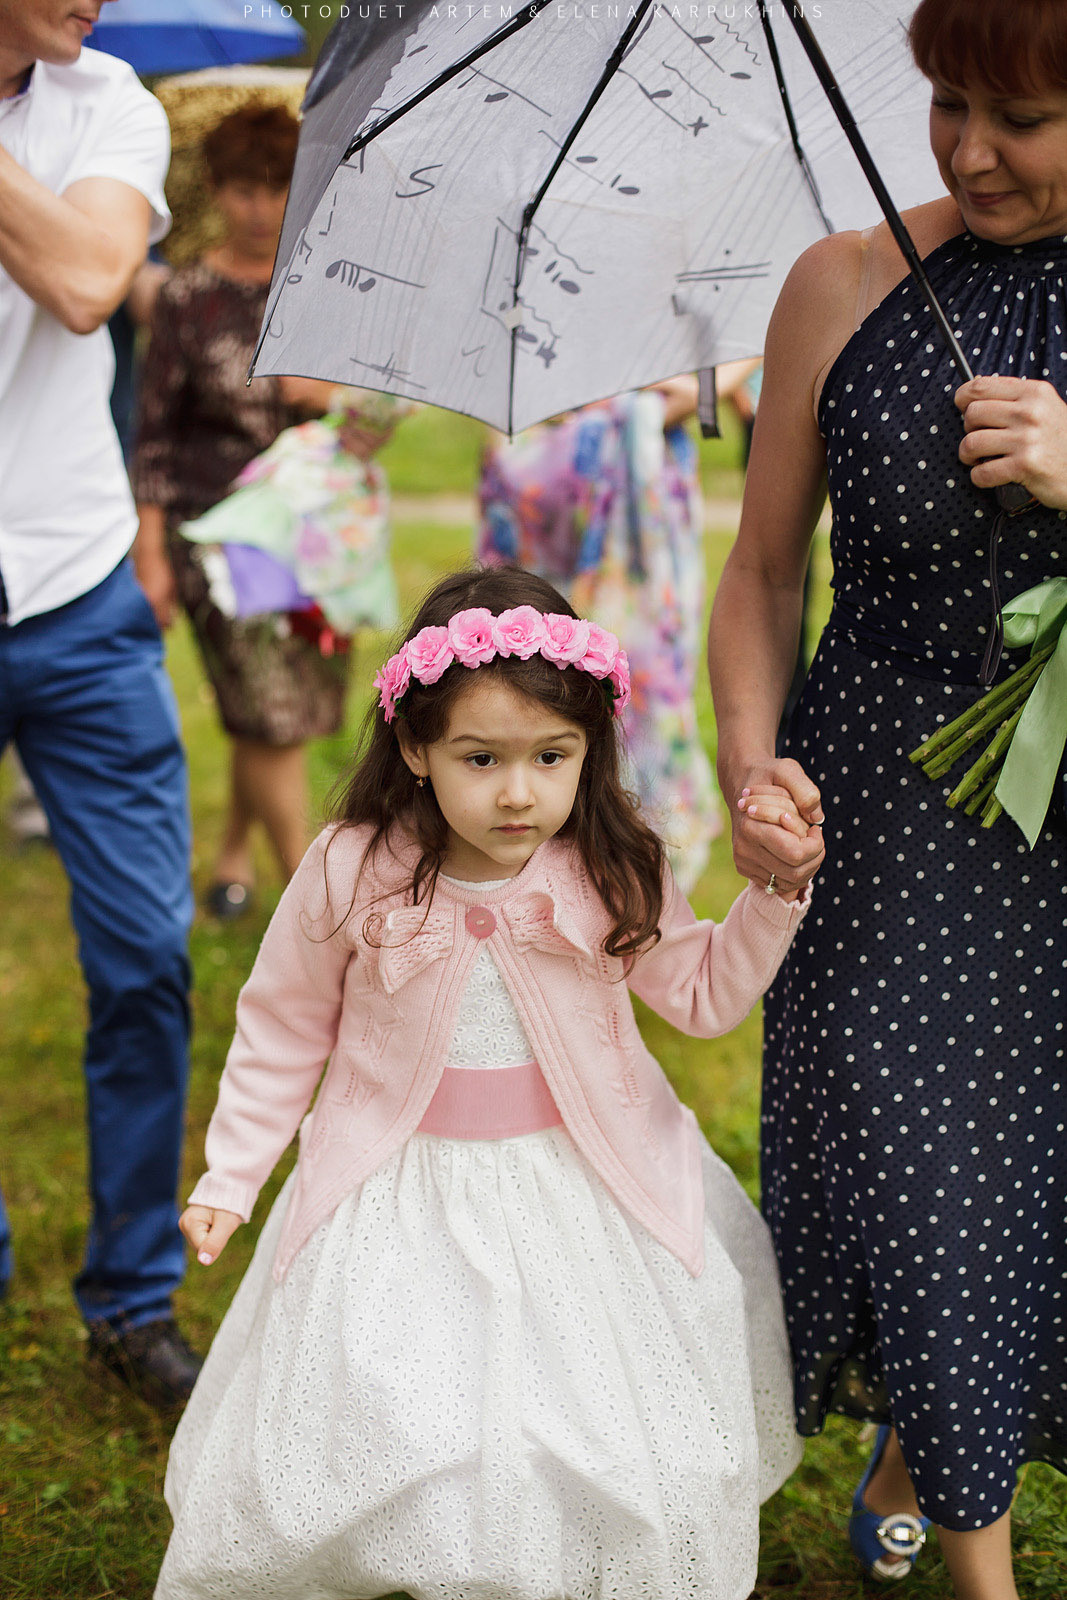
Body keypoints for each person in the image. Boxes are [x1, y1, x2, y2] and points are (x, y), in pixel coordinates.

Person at [154, 565, 810, 1600]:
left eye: (551, 756)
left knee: (581, 1409)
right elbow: (282, 1027)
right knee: (414, 1407)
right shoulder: (349, 867)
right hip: (400, 1187)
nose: (518, 790)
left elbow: (697, 994)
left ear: (588, 747)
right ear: (414, 748)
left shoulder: (608, 862)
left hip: (578, 1186)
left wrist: (773, 892)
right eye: (481, 757)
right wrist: (231, 1177)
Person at [707, 1, 1066, 1595]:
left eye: (1021, 121)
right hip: (881, 801)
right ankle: (982, 1576)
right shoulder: (841, 283)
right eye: (944, 106)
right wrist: (743, 763)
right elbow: (760, 571)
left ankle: (925, 1445)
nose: (970, 152)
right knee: (916, 1159)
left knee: (1021, 1167)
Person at [0, 0, 200, 1402]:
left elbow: (84, 280)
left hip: (77, 596)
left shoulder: (115, 102)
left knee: (144, 957)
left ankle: (134, 1295)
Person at [133, 104, 379, 919]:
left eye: (276, 187)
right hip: (221, 539)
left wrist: (335, 393)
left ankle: (233, 855)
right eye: (242, 188)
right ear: (217, 191)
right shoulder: (185, 297)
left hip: (316, 538)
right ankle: (314, 907)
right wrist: (152, 553)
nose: (259, 206)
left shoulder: (326, 290)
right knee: (270, 717)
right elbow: (153, 434)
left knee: (281, 716)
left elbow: (375, 429)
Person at [478, 377, 720, 894]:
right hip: (542, 460)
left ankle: (625, 847)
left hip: (622, 473)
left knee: (630, 683)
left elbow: (717, 367)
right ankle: (556, 839)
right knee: (532, 665)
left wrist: (683, 393)